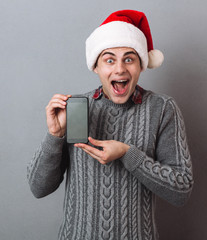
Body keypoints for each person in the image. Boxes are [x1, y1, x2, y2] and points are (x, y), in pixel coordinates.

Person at [27, 9, 193, 240]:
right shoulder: (75, 109)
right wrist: (54, 135)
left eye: (129, 58)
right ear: (96, 67)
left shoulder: (162, 108)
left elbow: (181, 189)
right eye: (109, 60)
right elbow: (38, 188)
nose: (120, 69)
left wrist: (128, 154)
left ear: (141, 65)